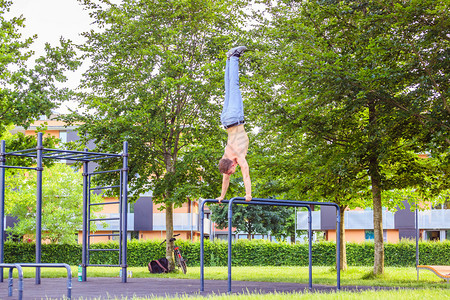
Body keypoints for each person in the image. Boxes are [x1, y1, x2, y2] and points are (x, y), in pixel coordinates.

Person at [217, 46, 252, 203]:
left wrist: (248, 194)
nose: (232, 173)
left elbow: (246, 174)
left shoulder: (237, 156)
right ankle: (229, 59)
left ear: (231, 165)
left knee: (234, 86)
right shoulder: (225, 158)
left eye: (231, 171)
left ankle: (235, 56)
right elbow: (225, 180)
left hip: (235, 117)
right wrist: (222, 196)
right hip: (225, 119)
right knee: (228, 89)